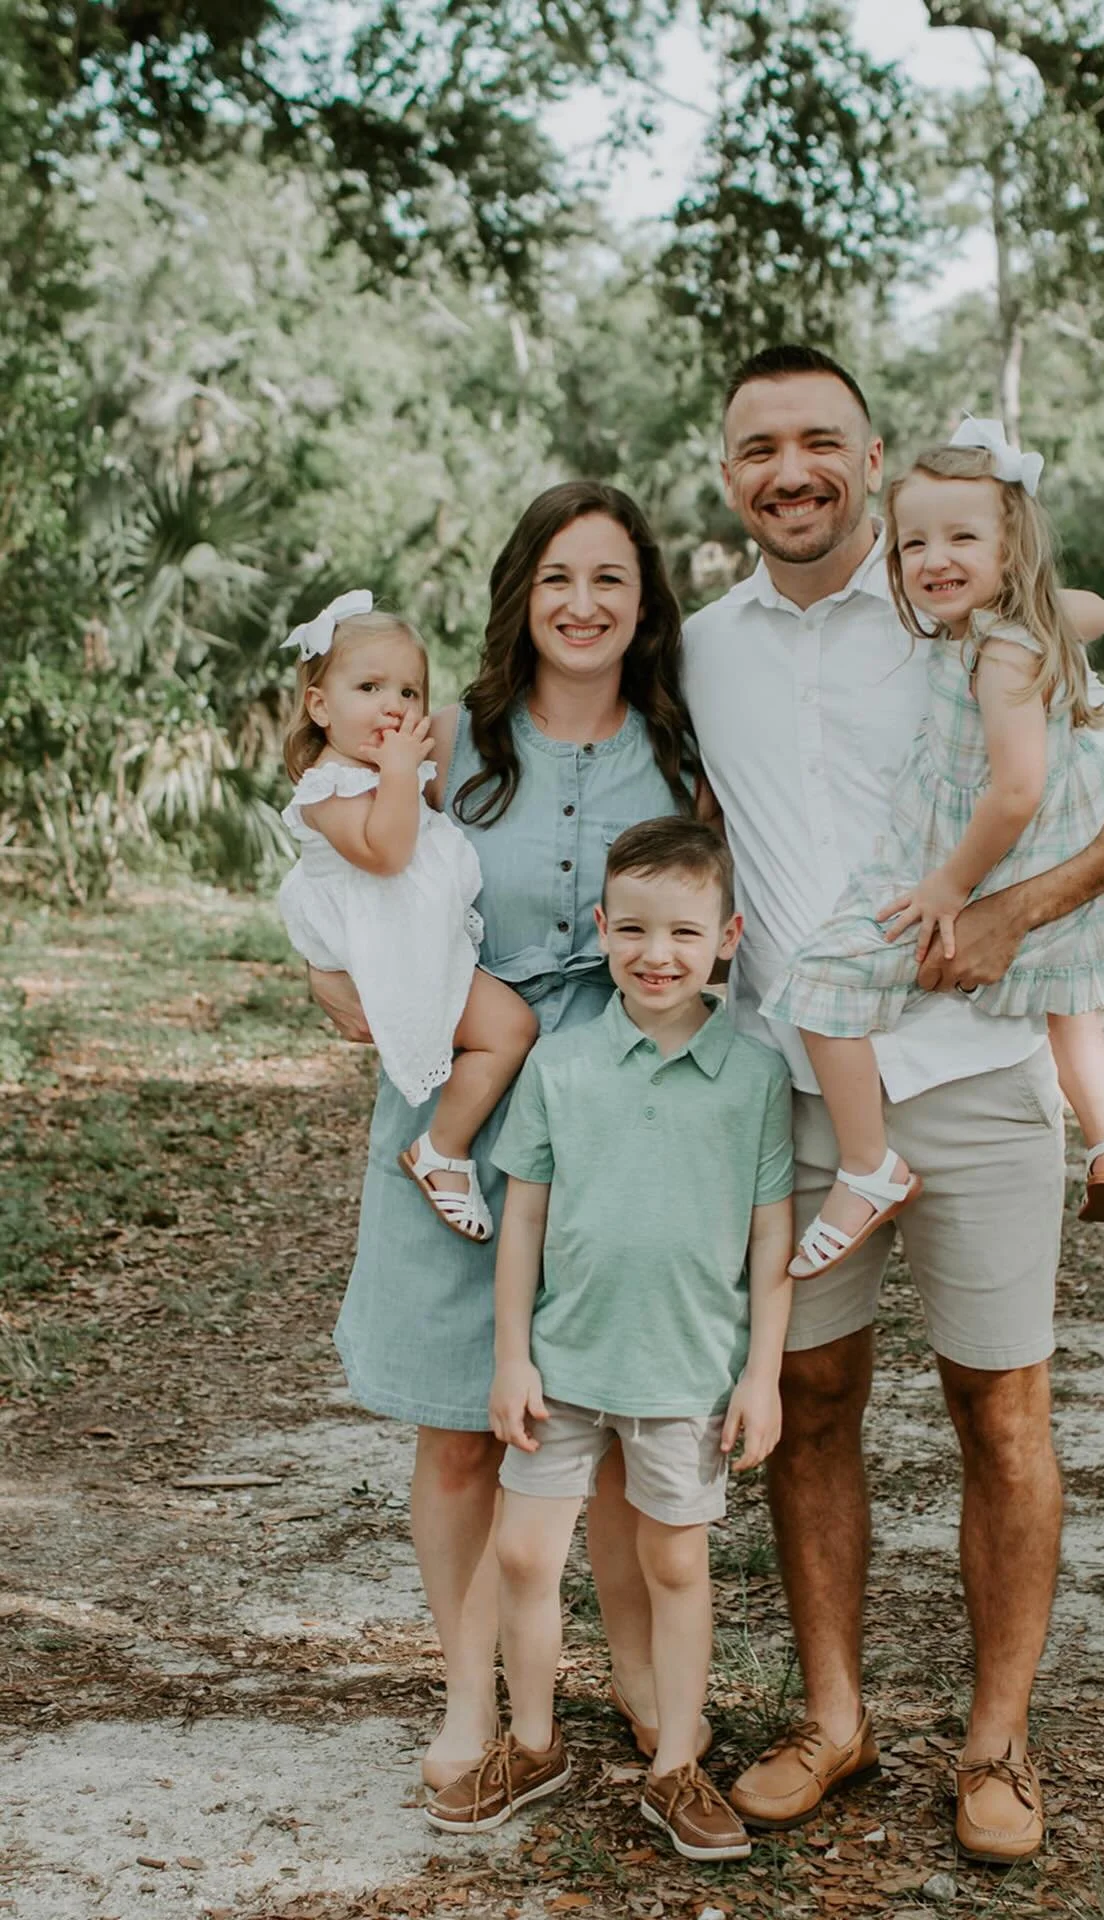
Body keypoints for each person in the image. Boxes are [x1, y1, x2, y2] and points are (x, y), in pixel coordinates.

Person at [682, 346, 1104, 1863]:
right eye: (759, 446)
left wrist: (1013, 916)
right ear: (727, 475)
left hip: (975, 1081)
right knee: (812, 1407)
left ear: (874, 457)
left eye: (821, 439)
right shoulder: (696, 650)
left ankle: (996, 1746)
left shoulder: (967, 616)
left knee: (1001, 1413)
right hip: (803, 1095)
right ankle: (834, 1722)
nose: (792, 469)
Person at [307, 483, 709, 1798]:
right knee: (458, 1426)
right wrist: (329, 979)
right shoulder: (449, 743)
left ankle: (643, 1683)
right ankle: (471, 1697)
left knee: (604, 1405)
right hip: (458, 1104)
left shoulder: (682, 747)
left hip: (623, 1109)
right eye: (557, 579)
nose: (583, 604)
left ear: (643, 603)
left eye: (610, 579)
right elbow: (341, 881)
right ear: (520, 599)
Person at [425, 819, 795, 1862]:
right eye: (631, 929)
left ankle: (677, 1764)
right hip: (568, 1365)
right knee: (527, 1553)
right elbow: (526, 1219)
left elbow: (772, 1239)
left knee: (674, 1561)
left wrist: (761, 1377)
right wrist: (512, 1356)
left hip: (687, 1373)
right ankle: (534, 1743)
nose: (655, 953)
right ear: (601, 928)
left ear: (728, 936)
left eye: (683, 931)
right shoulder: (565, 1063)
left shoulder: (755, 1078)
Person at [761, 417, 1104, 1282]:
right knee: (1066, 1003)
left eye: (963, 537)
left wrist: (948, 886)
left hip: (978, 859)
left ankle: (868, 1165)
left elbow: (1014, 790)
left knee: (818, 984)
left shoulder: (1000, 655)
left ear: (1014, 548)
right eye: (913, 543)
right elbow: (1096, 610)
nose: (934, 558)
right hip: (1039, 862)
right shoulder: (1015, 631)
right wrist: (1053, 613)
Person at [277, 593, 538, 1244]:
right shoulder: (329, 787)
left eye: (410, 691)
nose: (394, 705)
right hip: (390, 947)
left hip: (415, 936)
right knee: (510, 1029)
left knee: (508, 1027)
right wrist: (401, 774)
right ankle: (442, 1151)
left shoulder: (373, 770)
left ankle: (443, 1148)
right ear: (319, 705)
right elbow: (388, 854)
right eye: (369, 687)